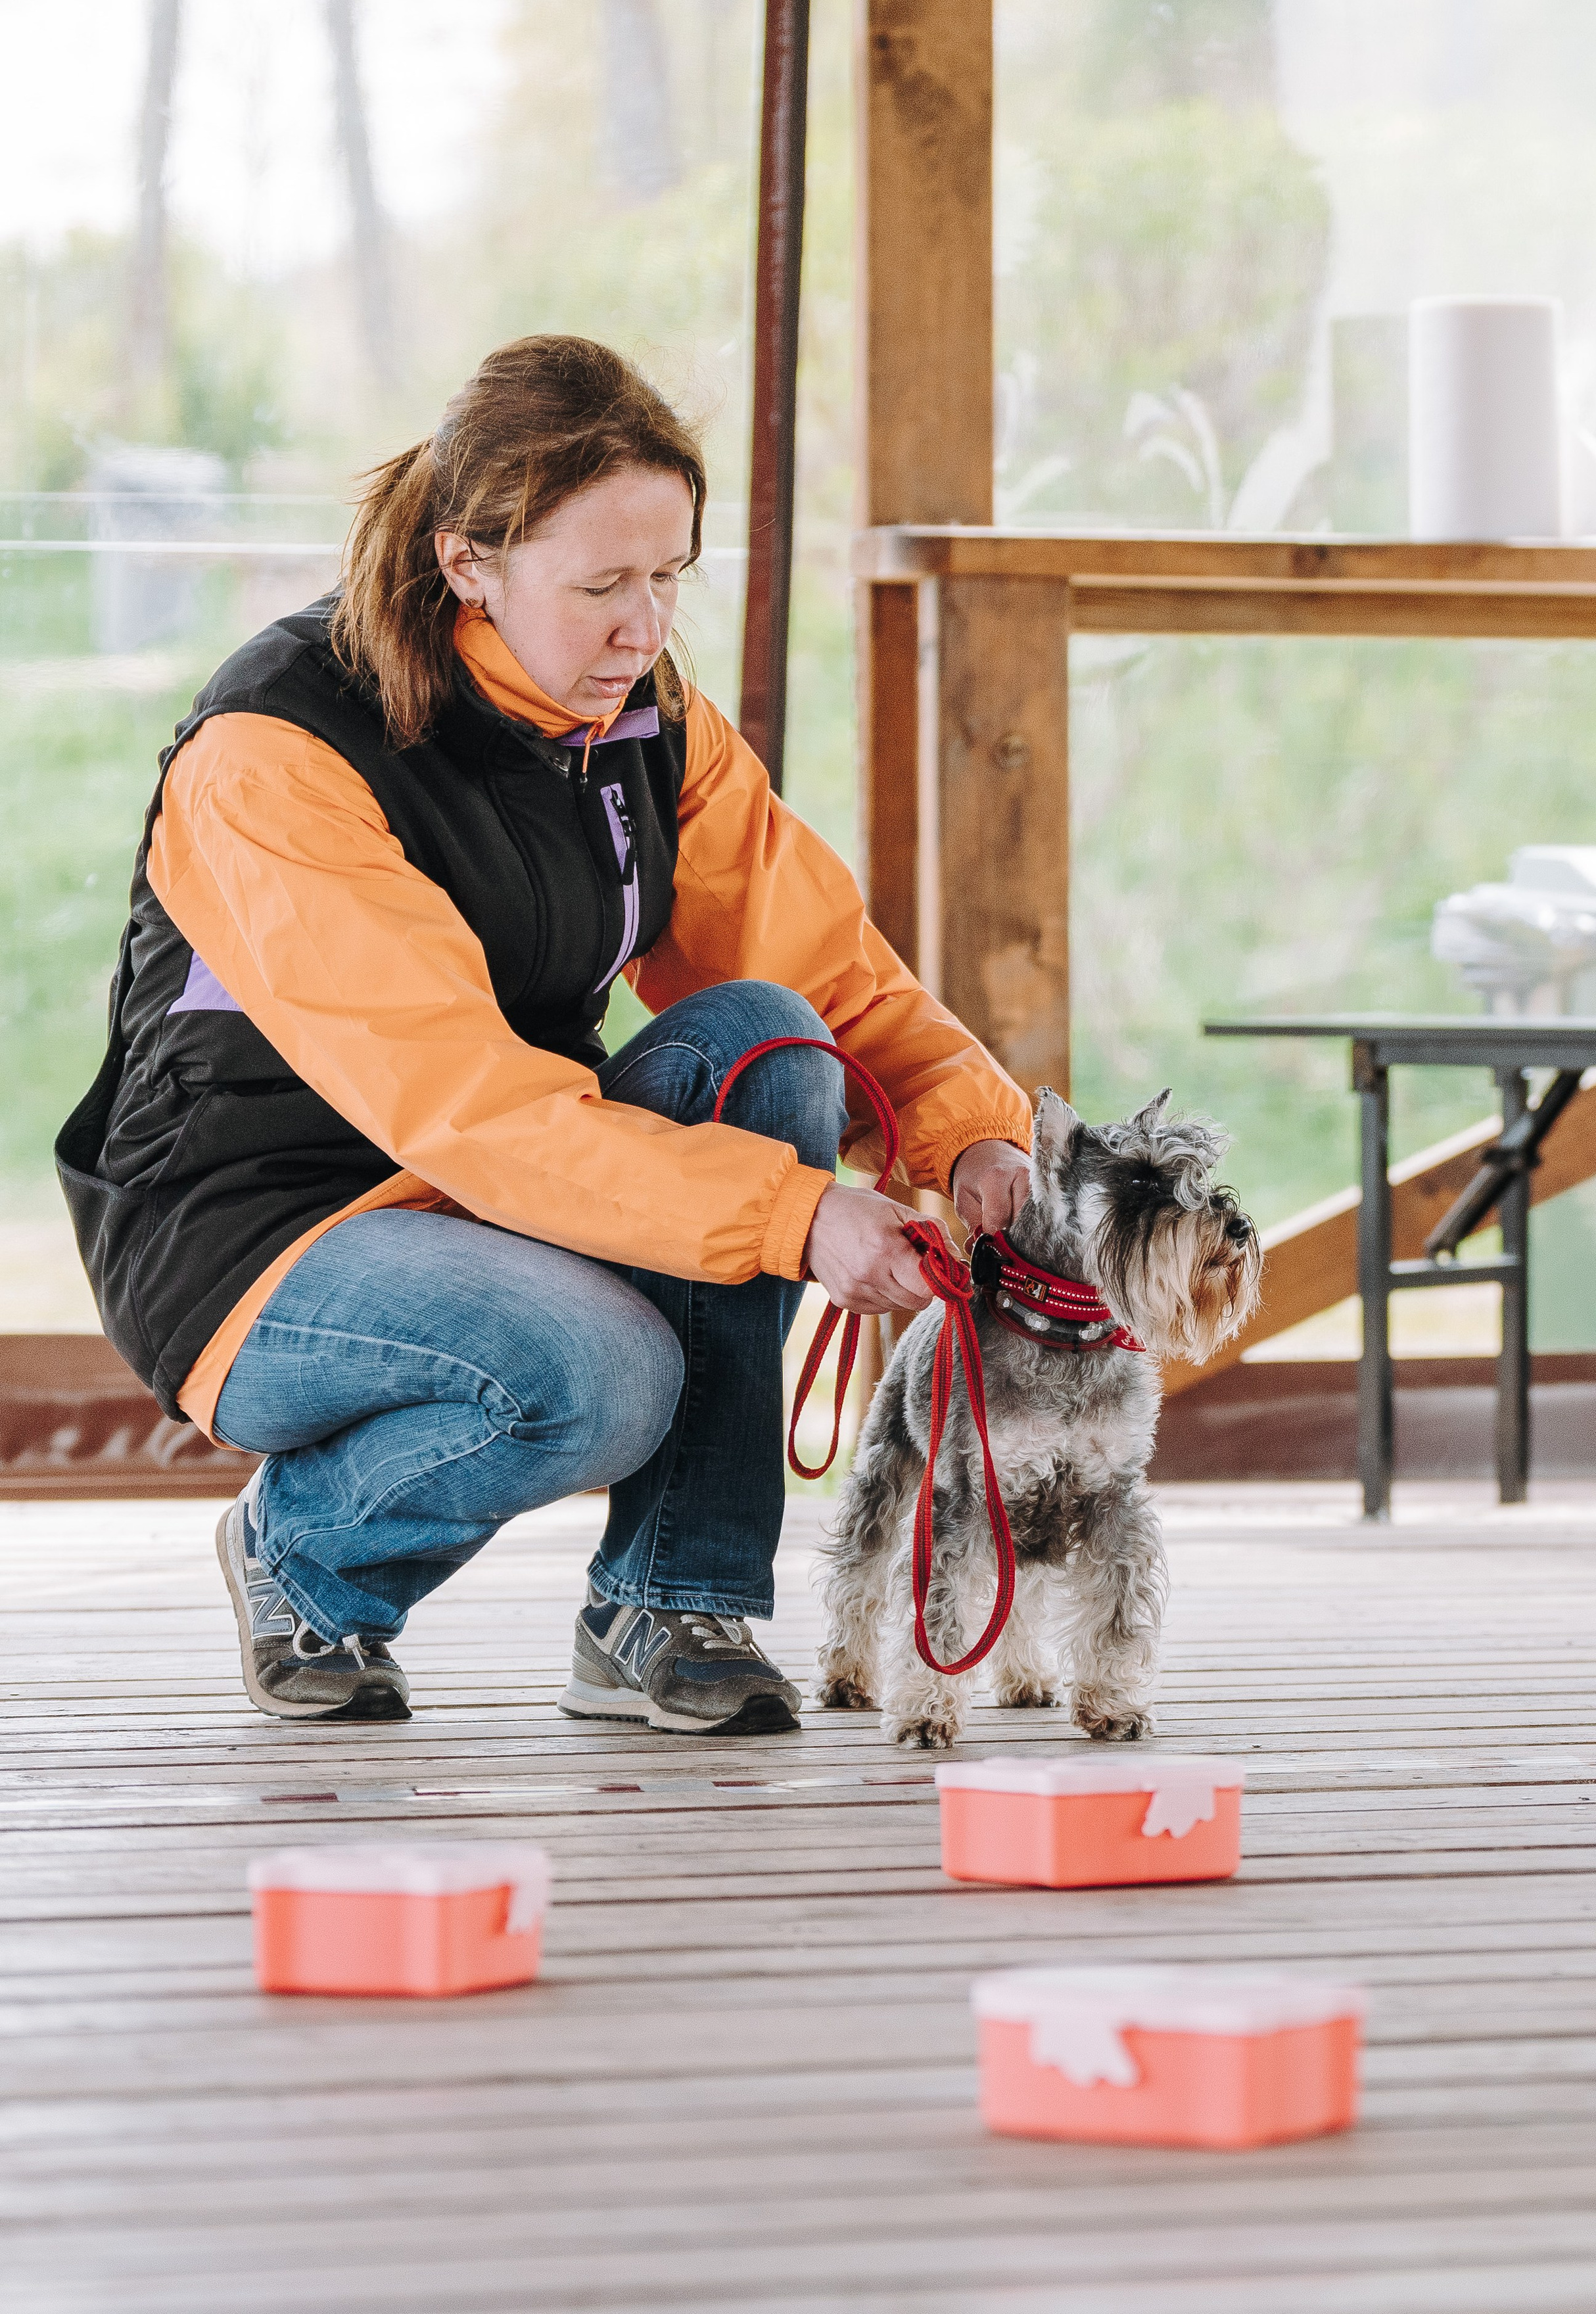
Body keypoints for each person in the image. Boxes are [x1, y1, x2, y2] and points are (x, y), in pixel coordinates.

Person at [59, 336, 1032, 1735]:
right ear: (468, 563)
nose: (644, 629)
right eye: (601, 587)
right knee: (595, 1374)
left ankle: (669, 1598)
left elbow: (820, 970)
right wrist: (796, 1214)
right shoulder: (276, 751)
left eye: (667, 578)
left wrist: (966, 1126)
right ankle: (303, 1555)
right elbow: (457, 1098)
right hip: (258, 1226)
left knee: (767, 1039)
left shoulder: (643, 717)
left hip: (503, 1188)